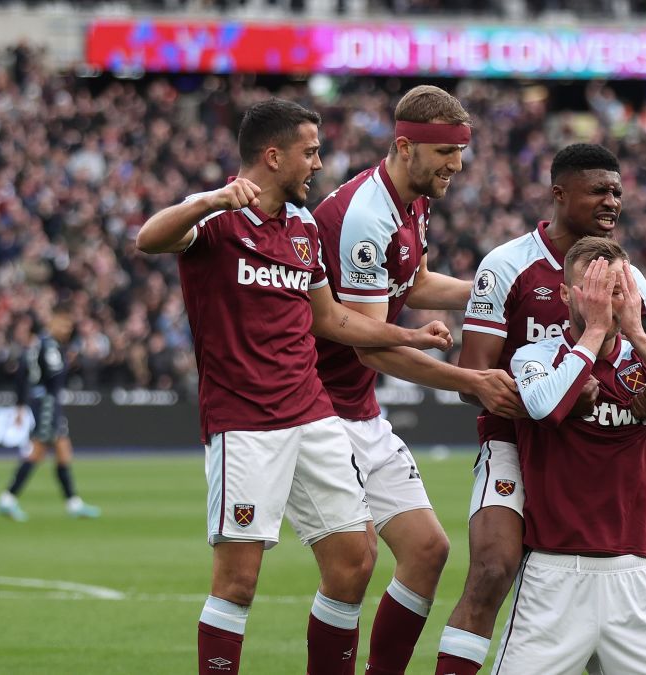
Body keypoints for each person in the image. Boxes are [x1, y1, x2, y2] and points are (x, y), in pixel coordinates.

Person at [135, 98, 452, 675]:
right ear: (273, 156)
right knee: (238, 581)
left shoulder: (304, 228)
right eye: (309, 152)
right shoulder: (215, 219)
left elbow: (330, 320)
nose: (318, 163)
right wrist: (208, 199)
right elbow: (148, 239)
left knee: (355, 561)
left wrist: (406, 337)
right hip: (245, 421)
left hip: (313, 413)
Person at [435, 143, 646, 675]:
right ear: (558, 194)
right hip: (515, 441)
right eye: (599, 190)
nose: (612, 201)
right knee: (491, 571)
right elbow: (471, 380)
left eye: (617, 191)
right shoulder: (507, 265)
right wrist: (554, 400)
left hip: (607, 449)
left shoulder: (629, 276)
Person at [310, 84, 522, 674]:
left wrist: (505, 291)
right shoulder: (364, 218)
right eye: (445, 154)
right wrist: (469, 380)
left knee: (428, 551)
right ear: (405, 147)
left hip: (358, 409)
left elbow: (419, 283)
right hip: (318, 410)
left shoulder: (413, 199)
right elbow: (373, 346)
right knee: (353, 565)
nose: (457, 166)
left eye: (460, 153)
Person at [493, 237, 646, 673]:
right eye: (590, 288)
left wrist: (637, 334)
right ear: (563, 295)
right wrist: (594, 333)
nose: (604, 299)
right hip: (553, 574)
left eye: (616, 288)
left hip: (634, 573)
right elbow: (542, 405)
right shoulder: (537, 355)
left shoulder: (644, 359)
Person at [0, 312, 101, 522]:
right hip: (47, 402)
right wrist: (68, 361)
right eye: (64, 326)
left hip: (42, 400)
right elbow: (54, 374)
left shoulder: (37, 345)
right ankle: (8, 498)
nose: (67, 331)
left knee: (63, 450)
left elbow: (22, 374)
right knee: (38, 450)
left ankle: (73, 503)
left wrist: (20, 404)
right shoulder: (51, 346)